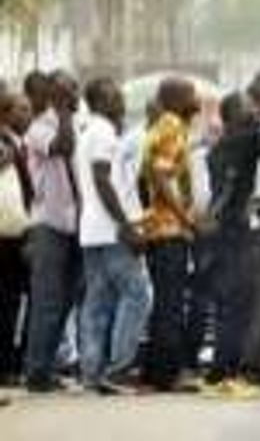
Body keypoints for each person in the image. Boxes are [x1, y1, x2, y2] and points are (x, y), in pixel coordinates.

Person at [202, 92, 260, 399]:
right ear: (236, 114)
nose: (256, 109)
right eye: (250, 106)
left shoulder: (217, 147)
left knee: (225, 303)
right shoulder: (251, 138)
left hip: (219, 228)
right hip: (236, 228)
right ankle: (229, 375)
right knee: (240, 304)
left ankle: (219, 372)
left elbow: (225, 187)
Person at [76, 77, 151, 396]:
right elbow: (102, 178)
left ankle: (92, 374)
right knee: (138, 294)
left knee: (97, 303)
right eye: (115, 95)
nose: (121, 99)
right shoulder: (104, 131)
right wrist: (126, 225)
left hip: (92, 230)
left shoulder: (89, 132)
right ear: (101, 100)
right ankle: (118, 371)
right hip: (111, 229)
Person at [139, 77, 201, 392]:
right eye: (192, 92)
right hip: (168, 229)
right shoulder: (172, 125)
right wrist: (185, 219)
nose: (197, 97)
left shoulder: (164, 125)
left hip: (159, 229)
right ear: (177, 98)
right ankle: (167, 375)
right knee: (170, 304)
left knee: (166, 302)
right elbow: (161, 177)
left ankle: (156, 372)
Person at [22, 70, 82, 394]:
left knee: (65, 302)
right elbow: (63, 146)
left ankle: (49, 367)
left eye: (73, 89)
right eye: (67, 90)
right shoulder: (39, 127)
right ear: (54, 95)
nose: (75, 93)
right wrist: (61, 111)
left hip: (76, 226)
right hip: (49, 224)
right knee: (46, 301)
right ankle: (35, 371)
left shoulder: (78, 121)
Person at [0, 90, 33, 386]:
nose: (27, 115)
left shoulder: (16, 143)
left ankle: (14, 364)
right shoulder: (7, 144)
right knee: (7, 302)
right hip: (5, 236)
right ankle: (7, 367)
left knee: (13, 302)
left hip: (17, 233)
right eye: (21, 110)